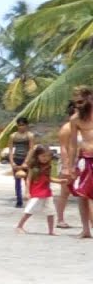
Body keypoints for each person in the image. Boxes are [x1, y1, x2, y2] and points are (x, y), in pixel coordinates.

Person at [63, 87, 93, 238]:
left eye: (81, 102)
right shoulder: (75, 119)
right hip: (85, 159)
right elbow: (73, 144)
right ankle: (85, 229)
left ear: (89, 97)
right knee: (82, 195)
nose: (78, 106)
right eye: (76, 103)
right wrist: (69, 166)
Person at [17, 145, 64, 235]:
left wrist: (59, 181)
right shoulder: (33, 167)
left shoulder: (48, 166)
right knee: (29, 210)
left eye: (47, 156)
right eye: (43, 156)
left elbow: (49, 178)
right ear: (37, 156)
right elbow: (28, 179)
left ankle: (51, 231)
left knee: (51, 212)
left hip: (47, 192)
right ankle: (19, 226)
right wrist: (27, 192)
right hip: (36, 192)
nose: (45, 158)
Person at [0, 117, 36, 208]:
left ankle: (30, 198)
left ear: (26, 125)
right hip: (17, 159)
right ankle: (19, 200)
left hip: (26, 159)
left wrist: (26, 161)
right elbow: (11, 150)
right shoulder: (13, 136)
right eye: (19, 125)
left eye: (23, 125)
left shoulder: (30, 135)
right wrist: (12, 162)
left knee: (28, 180)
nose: (21, 127)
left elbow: (31, 149)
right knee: (17, 180)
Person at [55, 102, 78, 229]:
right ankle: (60, 219)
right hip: (68, 162)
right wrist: (66, 166)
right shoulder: (67, 128)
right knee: (65, 192)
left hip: (82, 162)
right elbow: (63, 148)